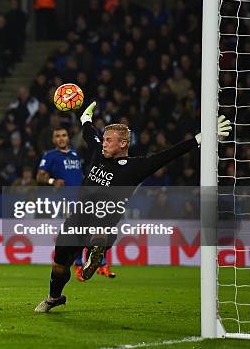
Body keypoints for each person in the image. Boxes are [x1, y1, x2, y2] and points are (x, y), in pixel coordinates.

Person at [34, 102, 231, 313]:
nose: (104, 143)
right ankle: (54, 297)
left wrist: (201, 139)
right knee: (59, 266)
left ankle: (95, 252)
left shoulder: (136, 167)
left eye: (109, 140)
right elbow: (89, 133)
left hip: (103, 222)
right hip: (76, 221)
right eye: (104, 139)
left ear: (123, 144)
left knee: (101, 229)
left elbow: (168, 155)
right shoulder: (99, 153)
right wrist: (85, 119)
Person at [36, 127, 116, 280]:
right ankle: (81, 265)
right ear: (53, 140)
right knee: (80, 231)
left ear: (68, 138)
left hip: (84, 198)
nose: (61, 138)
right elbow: (39, 176)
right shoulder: (50, 155)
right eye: (57, 136)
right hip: (67, 200)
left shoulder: (75, 154)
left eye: (64, 135)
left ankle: (100, 264)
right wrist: (52, 181)